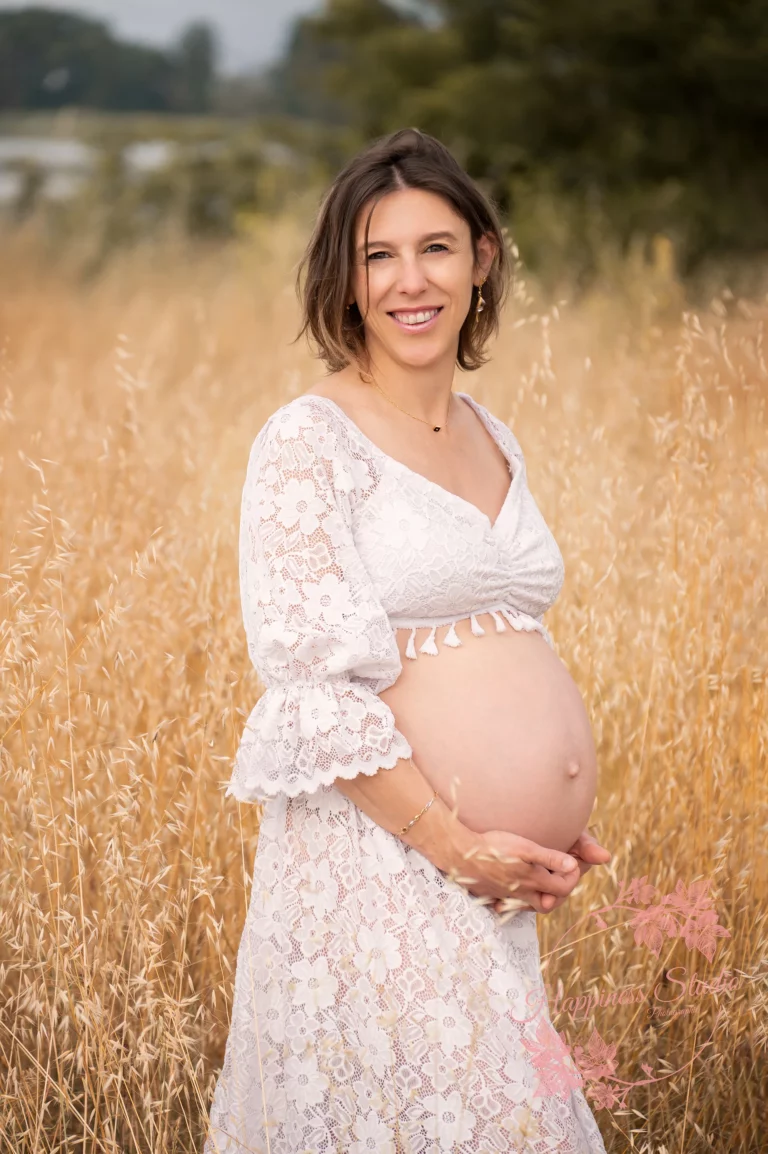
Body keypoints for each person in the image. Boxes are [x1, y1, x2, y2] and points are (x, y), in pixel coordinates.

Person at [206, 127, 612, 1153]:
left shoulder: (490, 429)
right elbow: (310, 690)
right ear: (344, 280)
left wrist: (548, 829)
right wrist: (460, 845)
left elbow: (499, 644)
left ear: (483, 257)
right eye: (377, 255)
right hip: (385, 866)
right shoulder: (308, 439)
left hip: (488, 883)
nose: (408, 281)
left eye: (435, 247)